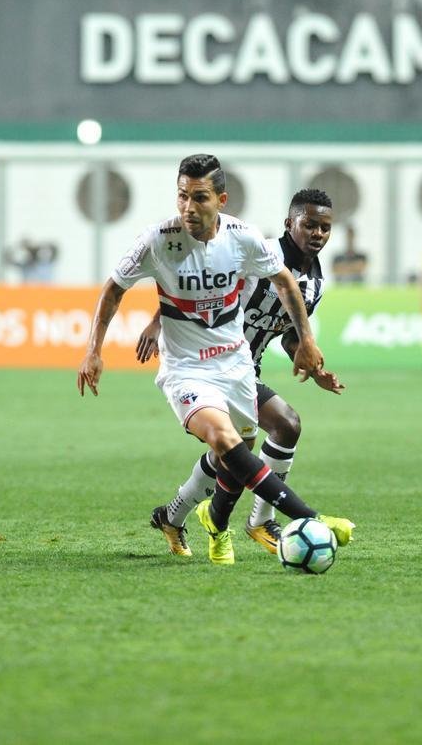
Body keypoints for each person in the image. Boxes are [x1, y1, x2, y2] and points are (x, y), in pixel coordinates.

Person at [77, 154, 353, 565]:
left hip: (238, 365)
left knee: (237, 454)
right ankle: (298, 519)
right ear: (289, 224)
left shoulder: (271, 257)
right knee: (241, 439)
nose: (189, 207)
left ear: (220, 200)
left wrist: (308, 352)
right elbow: (129, 288)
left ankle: (176, 516)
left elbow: (287, 308)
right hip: (188, 367)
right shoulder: (164, 240)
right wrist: (102, 346)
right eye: (182, 196)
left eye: (199, 197)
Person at [138, 188, 344, 557]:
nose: (317, 234)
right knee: (260, 438)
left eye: (325, 228)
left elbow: (290, 339)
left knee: (251, 444)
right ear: (289, 223)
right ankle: (251, 522)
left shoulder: (315, 283)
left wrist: (311, 366)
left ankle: (177, 517)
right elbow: (198, 285)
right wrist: (158, 322)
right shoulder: (255, 251)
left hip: (245, 370)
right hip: (205, 361)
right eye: (309, 225)